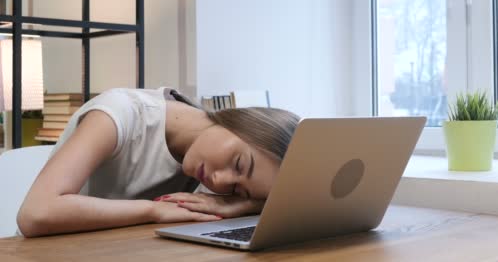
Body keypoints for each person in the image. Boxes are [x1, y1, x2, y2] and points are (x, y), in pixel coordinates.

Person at [17, 87, 300, 237]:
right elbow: (35, 214)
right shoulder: (122, 112)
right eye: (239, 164)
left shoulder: (213, 166)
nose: (222, 182)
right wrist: (154, 211)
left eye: (239, 190)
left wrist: (242, 205)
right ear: (240, 119)